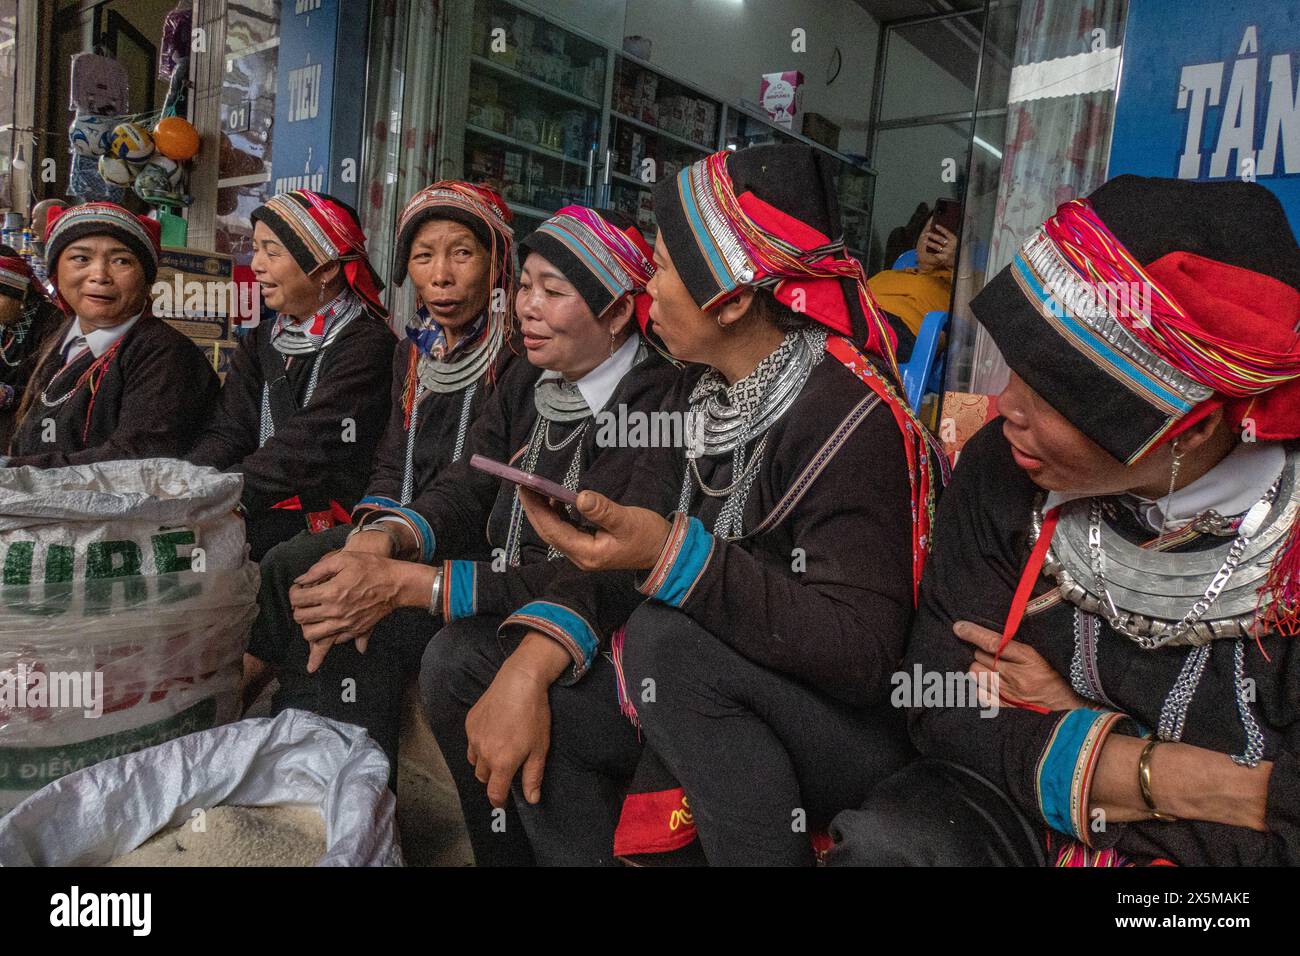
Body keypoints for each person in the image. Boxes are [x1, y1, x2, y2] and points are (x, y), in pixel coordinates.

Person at [435, 145, 947, 865]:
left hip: (839, 721)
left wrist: (672, 557)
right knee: (466, 664)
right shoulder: (691, 392)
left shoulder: (848, 419)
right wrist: (533, 658)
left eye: (666, 268)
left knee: (665, 641)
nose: (646, 284)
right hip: (705, 680)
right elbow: (633, 537)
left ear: (732, 298)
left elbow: (861, 654)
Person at [826, 175, 1300, 867]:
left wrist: (1064, 720)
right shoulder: (1003, 464)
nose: (1004, 404)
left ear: (1188, 433)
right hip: (1020, 812)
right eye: (1015, 367)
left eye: (1052, 392)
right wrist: (1182, 777)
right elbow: (942, 698)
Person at [273, 207, 678, 827]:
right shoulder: (531, 380)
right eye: (525, 288)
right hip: (508, 585)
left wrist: (420, 585)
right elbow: (468, 485)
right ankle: (357, 809)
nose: (526, 308)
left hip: (594, 614)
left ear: (619, 311)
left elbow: (598, 572)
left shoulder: (655, 405)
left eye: (553, 292)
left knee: (454, 656)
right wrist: (385, 540)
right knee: (346, 590)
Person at [242, 180, 520, 716]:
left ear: (496, 262)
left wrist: (392, 541)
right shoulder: (414, 354)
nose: (440, 275)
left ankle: (341, 762)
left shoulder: (516, 357)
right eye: (423, 256)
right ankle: (298, 737)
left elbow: (481, 479)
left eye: (461, 253)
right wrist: (374, 533)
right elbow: (393, 461)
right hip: (404, 530)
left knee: (345, 601)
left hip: (473, 547)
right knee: (300, 566)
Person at [188, 190, 394, 559]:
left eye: (272, 251)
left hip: (330, 522)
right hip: (261, 503)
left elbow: (313, 443)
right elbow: (230, 429)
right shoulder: (262, 339)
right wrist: (188, 481)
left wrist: (225, 493)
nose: (256, 265)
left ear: (326, 267)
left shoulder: (367, 343)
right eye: (255, 249)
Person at [4, 202, 218, 467]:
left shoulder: (165, 355)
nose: (100, 275)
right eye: (81, 258)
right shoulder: (66, 340)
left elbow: (136, 460)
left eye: (121, 261)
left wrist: (15, 470)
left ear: (147, 278)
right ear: (56, 271)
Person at [0, 245, 63, 449]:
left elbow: (53, 393)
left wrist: (8, 395)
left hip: (39, 429)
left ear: (21, 294)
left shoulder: (52, 325)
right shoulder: (5, 323)